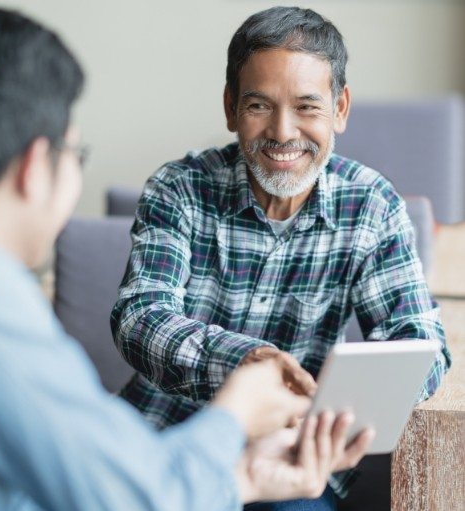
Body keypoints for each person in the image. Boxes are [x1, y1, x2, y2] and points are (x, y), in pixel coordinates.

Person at [0, 7, 375, 511]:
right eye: (77, 155)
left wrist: (240, 473)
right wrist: (235, 414)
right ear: (36, 166)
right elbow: (132, 495)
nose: (283, 130)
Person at [111, 6, 452, 510]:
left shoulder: (372, 205)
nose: (283, 132)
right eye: (258, 106)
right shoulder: (178, 189)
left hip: (297, 456)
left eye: (307, 107)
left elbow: (421, 345)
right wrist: (246, 363)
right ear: (230, 108)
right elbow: (140, 318)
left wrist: (336, 409)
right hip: (167, 439)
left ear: (340, 108)